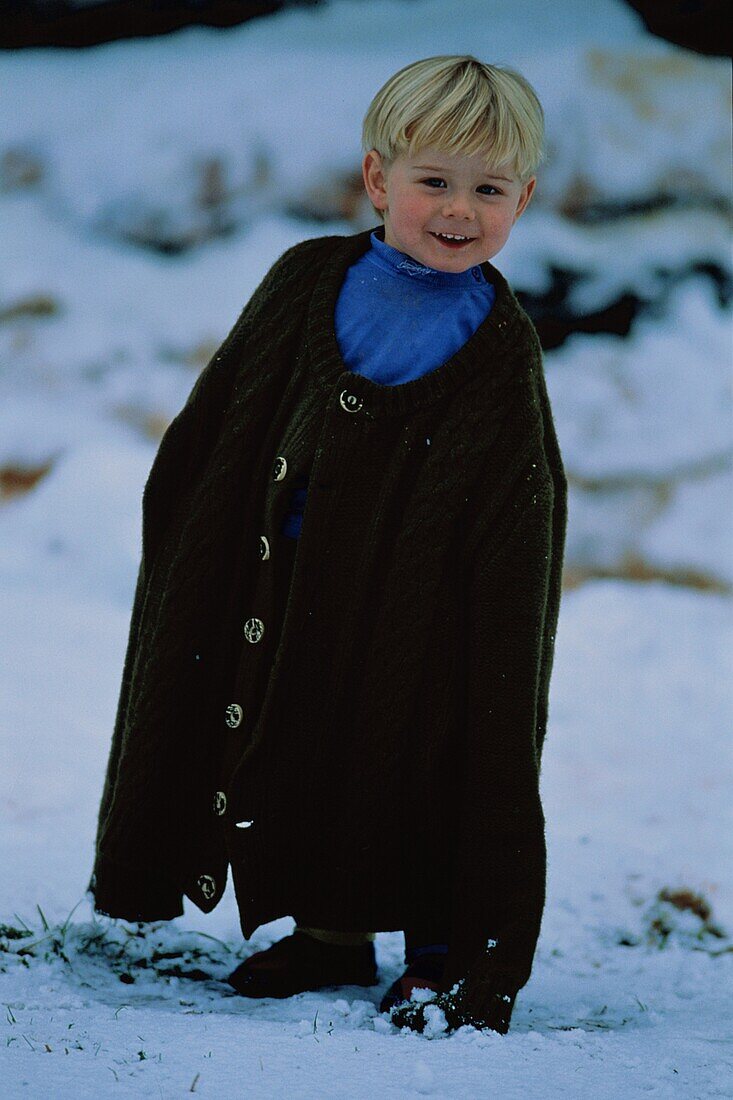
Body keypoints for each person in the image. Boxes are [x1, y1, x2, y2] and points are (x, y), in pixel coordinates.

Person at [88, 55, 568, 1037]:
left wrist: (481, 619)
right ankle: (327, 932)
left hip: (415, 604)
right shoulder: (310, 282)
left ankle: (440, 951)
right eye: (433, 180)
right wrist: (199, 551)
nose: (456, 211)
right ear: (377, 178)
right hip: (285, 577)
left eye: (488, 190)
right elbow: (222, 426)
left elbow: (521, 508)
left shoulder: (498, 347)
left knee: (419, 757)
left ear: (524, 199)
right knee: (296, 748)